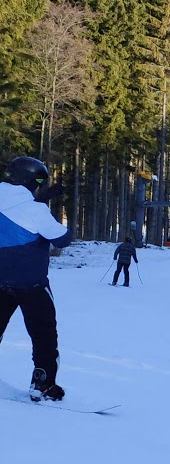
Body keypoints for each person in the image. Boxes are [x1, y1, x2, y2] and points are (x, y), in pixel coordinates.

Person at [0, 157, 72, 401]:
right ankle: (43, 384)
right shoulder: (35, 211)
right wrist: (44, 207)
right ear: (34, 182)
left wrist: (42, 199)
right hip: (32, 284)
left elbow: (12, 213)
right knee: (43, 335)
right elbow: (62, 239)